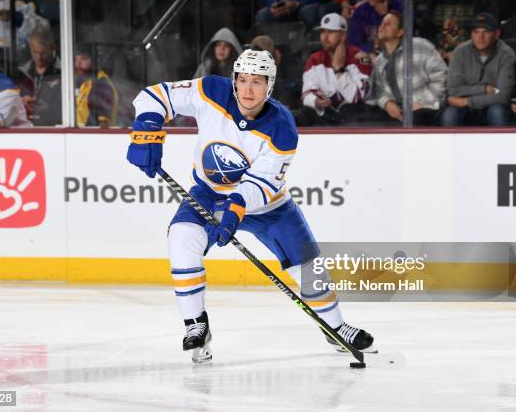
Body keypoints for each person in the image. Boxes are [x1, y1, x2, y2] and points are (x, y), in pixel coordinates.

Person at [126, 49, 374, 362]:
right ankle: (196, 326)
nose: (247, 89)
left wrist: (237, 207)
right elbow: (155, 95)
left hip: (267, 206)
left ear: (269, 87)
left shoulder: (282, 126)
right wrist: (147, 127)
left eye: (256, 82)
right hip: (208, 192)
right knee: (181, 238)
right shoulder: (212, 91)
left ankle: (335, 327)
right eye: (242, 80)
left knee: (309, 265)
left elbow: (262, 182)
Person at [372, 11, 448, 125]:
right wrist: (387, 103)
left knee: (413, 120)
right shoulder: (379, 60)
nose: (382, 26)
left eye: (388, 24)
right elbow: (377, 90)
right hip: (400, 111)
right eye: (382, 23)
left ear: (400, 32)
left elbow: (442, 78)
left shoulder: (419, 45)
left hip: (427, 107)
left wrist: (422, 103)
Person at [441, 13, 516, 126]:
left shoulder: (506, 54)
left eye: (486, 32)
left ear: (496, 34)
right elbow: (453, 90)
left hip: (491, 103)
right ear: (471, 34)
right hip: (466, 104)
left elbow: (502, 96)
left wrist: (467, 101)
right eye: (476, 32)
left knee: (497, 112)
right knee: (449, 115)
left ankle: (501, 144)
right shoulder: (460, 52)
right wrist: (485, 88)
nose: (480, 37)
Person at [300, 13, 373, 125]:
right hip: (327, 115)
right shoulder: (314, 59)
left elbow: (355, 97)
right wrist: (317, 101)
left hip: (356, 118)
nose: (325, 37)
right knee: (305, 113)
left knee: (349, 109)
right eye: (323, 32)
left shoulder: (359, 57)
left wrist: (339, 69)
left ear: (343, 35)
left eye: (331, 32)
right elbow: (306, 93)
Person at [421, 0, 496, 62]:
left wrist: (460, 54)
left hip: (473, 60)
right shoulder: (435, 0)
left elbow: (488, 34)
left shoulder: (483, 0)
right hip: (438, 59)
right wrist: (439, 51)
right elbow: (426, 32)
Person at [14, 26, 62, 126]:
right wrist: (20, 102)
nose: (39, 58)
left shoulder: (64, 73)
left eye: (43, 53)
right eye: (35, 52)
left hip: (54, 129)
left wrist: (48, 110)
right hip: (25, 128)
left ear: (53, 48)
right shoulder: (21, 73)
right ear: (30, 47)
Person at [75, 44, 119, 128]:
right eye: (76, 59)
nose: (78, 64)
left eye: (84, 59)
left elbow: (102, 125)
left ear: (96, 61)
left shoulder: (102, 84)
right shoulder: (86, 83)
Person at [255, 0, 341, 31]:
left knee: (307, 12)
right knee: (263, 15)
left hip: (310, 5)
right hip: (286, 7)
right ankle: (271, 49)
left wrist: (297, 3)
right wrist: (276, 5)